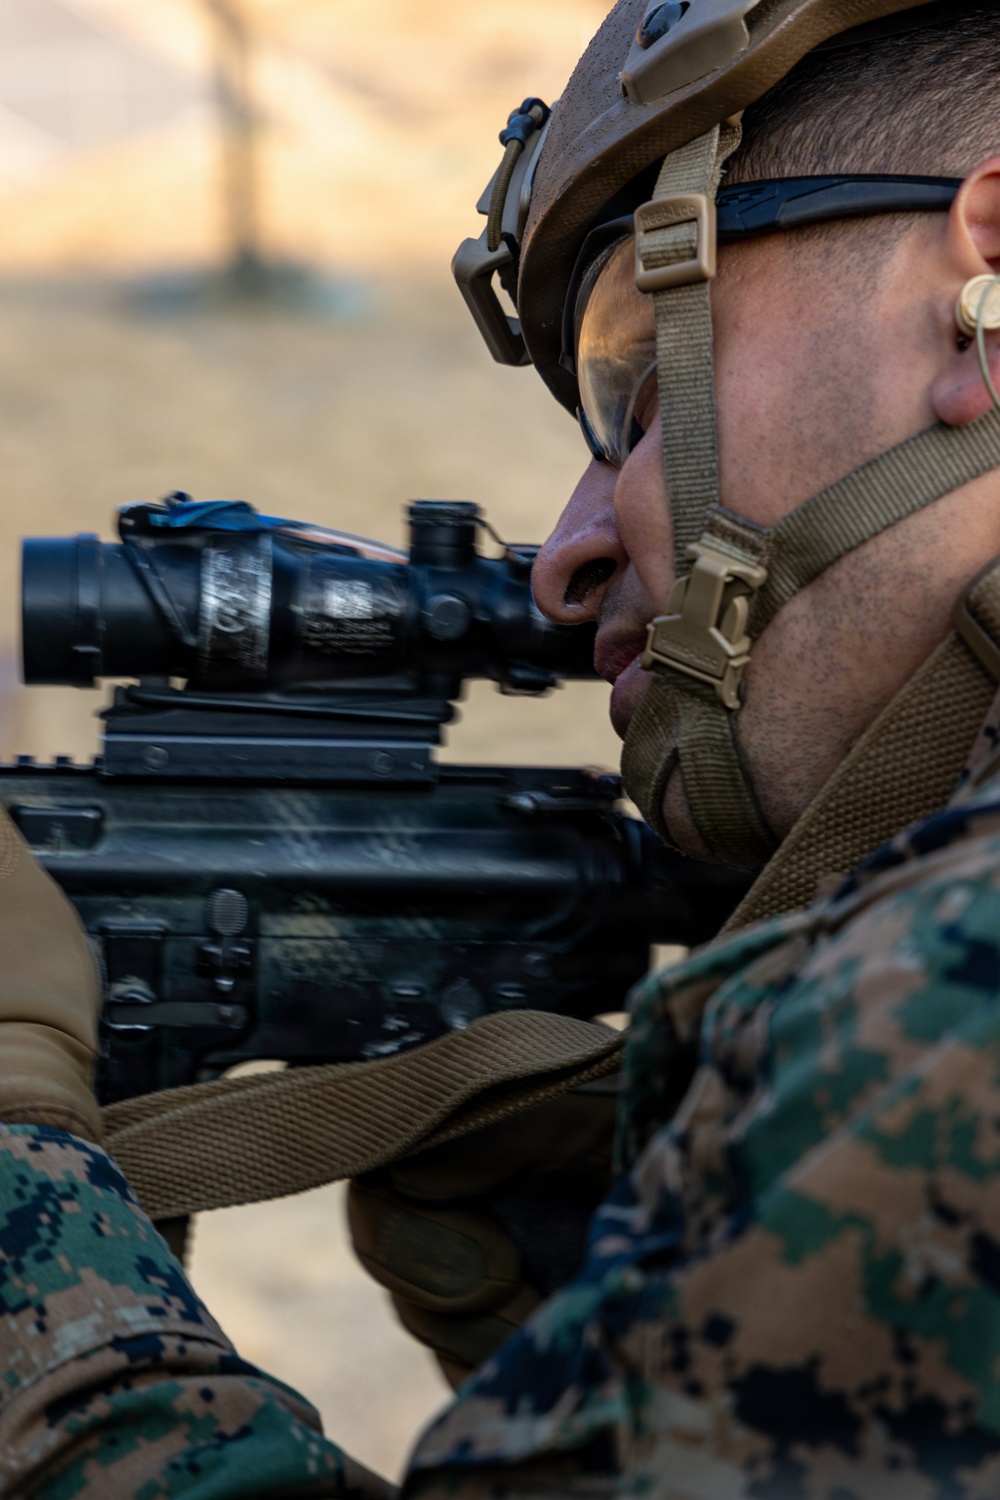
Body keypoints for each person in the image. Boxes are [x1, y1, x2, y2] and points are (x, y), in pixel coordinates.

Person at [6, 0, 1000, 1494]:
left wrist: (21, 1168)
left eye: (634, 379)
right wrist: (625, 1279)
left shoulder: (952, 989)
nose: (566, 554)